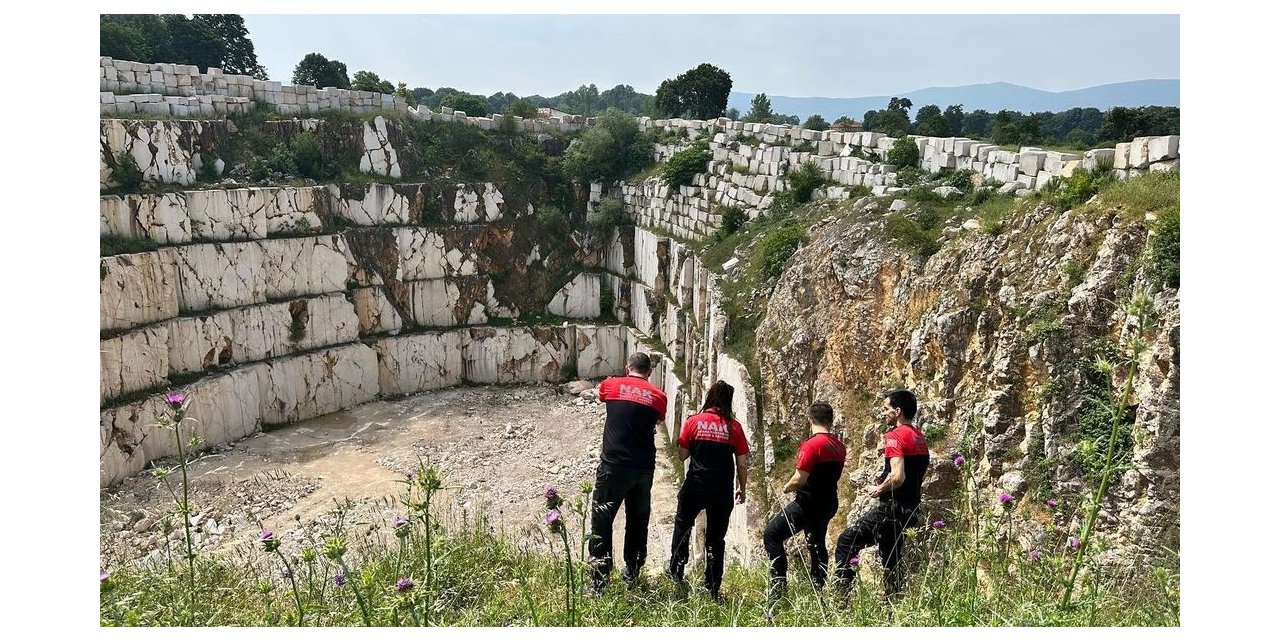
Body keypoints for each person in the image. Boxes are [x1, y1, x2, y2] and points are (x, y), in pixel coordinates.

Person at [833, 389, 930, 598]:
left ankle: (841, 600)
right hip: (910, 509)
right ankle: (894, 604)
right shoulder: (919, 438)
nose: (883, 413)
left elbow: (898, 477)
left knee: (847, 541)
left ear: (897, 411)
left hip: (892, 510)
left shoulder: (895, 437)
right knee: (890, 559)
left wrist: (879, 488)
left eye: (886, 409)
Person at [589, 351, 668, 592]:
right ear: (650, 372)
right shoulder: (659, 396)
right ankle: (632, 572)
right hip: (643, 469)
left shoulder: (612, 385)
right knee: (637, 521)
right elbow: (658, 421)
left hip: (613, 467)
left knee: (602, 522)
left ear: (627, 368)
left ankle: (600, 579)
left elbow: (599, 396)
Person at [667, 381, 750, 601]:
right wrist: (742, 488)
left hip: (695, 485)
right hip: (721, 491)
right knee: (716, 539)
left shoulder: (694, 421)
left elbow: (683, 455)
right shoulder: (734, 428)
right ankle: (712, 587)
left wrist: (685, 444)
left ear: (709, 398)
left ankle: (676, 573)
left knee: (683, 527)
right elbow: (742, 464)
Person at [762, 401, 847, 602]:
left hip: (808, 503)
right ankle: (818, 588)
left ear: (810, 420)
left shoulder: (811, 445)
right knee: (816, 543)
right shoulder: (839, 446)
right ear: (830, 420)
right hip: (829, 502)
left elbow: (799, 479)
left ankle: (778, 589)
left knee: (772, 535)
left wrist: (786, 487)